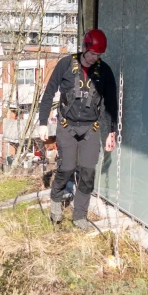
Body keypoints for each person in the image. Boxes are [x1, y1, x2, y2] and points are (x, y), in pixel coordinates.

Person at [38, 29, 117, 229]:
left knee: (88, 172)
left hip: (91, 128)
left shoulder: (104, 71)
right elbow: (48, 94)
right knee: (66, 168)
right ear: (83, 48)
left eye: (98, 55)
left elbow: (111, 104)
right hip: (67, 126)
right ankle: (56, 200)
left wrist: (111, 132)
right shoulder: (65, 65)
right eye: (91, 54)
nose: (94, 58)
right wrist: (42, 123)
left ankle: (79, 217)